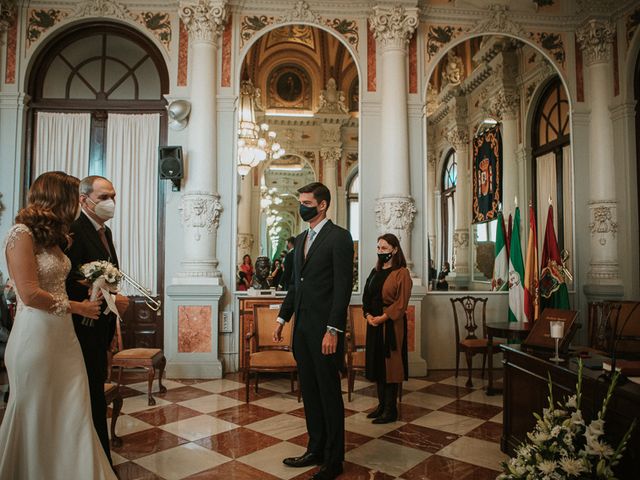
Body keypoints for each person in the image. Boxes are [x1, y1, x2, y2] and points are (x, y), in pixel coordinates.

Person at [0, 171, 116, 479]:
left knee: (72, 409)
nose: (75, 205)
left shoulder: (52, 238)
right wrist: (78, 307)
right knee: (36, 413)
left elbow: (61, 280)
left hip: (63, 337)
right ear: (57, 198)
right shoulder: (20, 233)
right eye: (71, 197)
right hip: (35, 335)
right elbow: (28, 293)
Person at [274, 182, 353, 480]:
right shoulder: (300, 238)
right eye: (301, 201)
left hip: (325, 332)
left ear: (322, 205)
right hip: (302, 332)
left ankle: (334, 460)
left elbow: (342, 289)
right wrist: (283, 319)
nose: (302, 206)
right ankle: (315, 448)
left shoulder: (339, 238)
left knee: (329, 394)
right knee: (309, 392)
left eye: (306, 202)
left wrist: (333, 329)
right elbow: (297, 285)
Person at [64, 175, 129, 464]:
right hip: (79, 328)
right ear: (83, 200)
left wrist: (115, 304)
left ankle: (97, 457)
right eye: (103, 197)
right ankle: (98, 459)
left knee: (96, 394)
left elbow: (109, 277)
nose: (110, 202)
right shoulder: (74, 231)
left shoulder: (107, 232)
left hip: (100, 326)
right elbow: (67, 281)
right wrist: (97, 296)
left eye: (113, 196)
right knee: (90, 396)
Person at [362, 234, 411, 424]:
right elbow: (367, 297)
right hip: (373, 323)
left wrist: (382, 317)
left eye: (384, 248)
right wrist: (368, 316)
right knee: (377, 364)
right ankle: (381, 405)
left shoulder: (402, 273)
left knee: (391, 366)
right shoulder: (375, 271)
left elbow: (401, 303)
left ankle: (391, 410)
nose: (380, 251)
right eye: (379, 248)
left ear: (395, 250)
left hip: (391, 325)